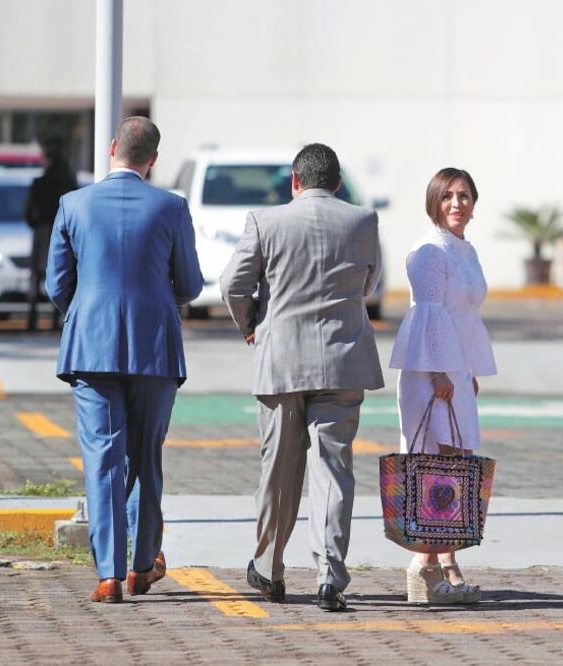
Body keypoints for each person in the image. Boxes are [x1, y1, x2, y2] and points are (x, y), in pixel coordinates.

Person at [45, 116, 203, 603]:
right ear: (153, 159)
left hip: (90, 348)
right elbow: (193, 285)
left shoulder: (72, 204)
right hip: (154, 345)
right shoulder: (171, 207)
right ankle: (142, 566)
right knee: (145, 456)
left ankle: (108, 575)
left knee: (102, 458)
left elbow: (56, 284)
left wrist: (88, 311)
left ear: (113, 147)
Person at [220, 143, 384, 612]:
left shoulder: (264, 221)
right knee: (333, 471)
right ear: (336, 182)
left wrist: (252, 323)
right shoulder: (363, 221)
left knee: (279, 469)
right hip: (343, 360)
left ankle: (269, 566)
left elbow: (233, 284)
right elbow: (366, 284)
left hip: (281, 362)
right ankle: (330, 575)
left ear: (295, 180)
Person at [389, 167, 497, 605]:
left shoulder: (465, 251)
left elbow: (464, 320)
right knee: (437, 468)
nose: (457, 203)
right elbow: (427, 316)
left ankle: (445, 563)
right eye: (448, 196)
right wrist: (438, 374)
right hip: (430, 374)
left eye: (465, 195)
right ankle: (423, 567)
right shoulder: (430, 251)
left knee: (455, 465)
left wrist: (466, 369)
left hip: (454, 371)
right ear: (434, 201)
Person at [25, 137, 77, 331]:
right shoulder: (68, 185)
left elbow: (28, 213)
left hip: (41, 234)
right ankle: (57, 319)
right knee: (62, 273)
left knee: (35, 276)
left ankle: (32, 318)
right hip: (62, 234)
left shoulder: (38, 183)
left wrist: (37, 224)